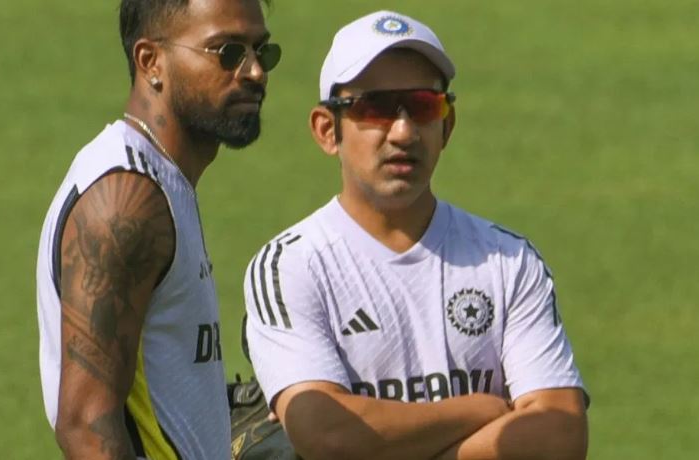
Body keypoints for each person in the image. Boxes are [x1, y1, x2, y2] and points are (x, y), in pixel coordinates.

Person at [243, 10, 588, 460]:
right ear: (328, 130)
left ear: (447, 125)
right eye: (376, 107)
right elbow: (327, 433)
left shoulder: (508, 260)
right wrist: (481, 409)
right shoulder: (291, 266)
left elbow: (560, 434)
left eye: (424, 105)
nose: (404, 132)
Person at [35, 0, 280, 458]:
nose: (254, 72)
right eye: (228, 52)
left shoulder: (163, 182)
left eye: (261, 51)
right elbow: (86, 426)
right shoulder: (127, 201)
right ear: (151, 61)